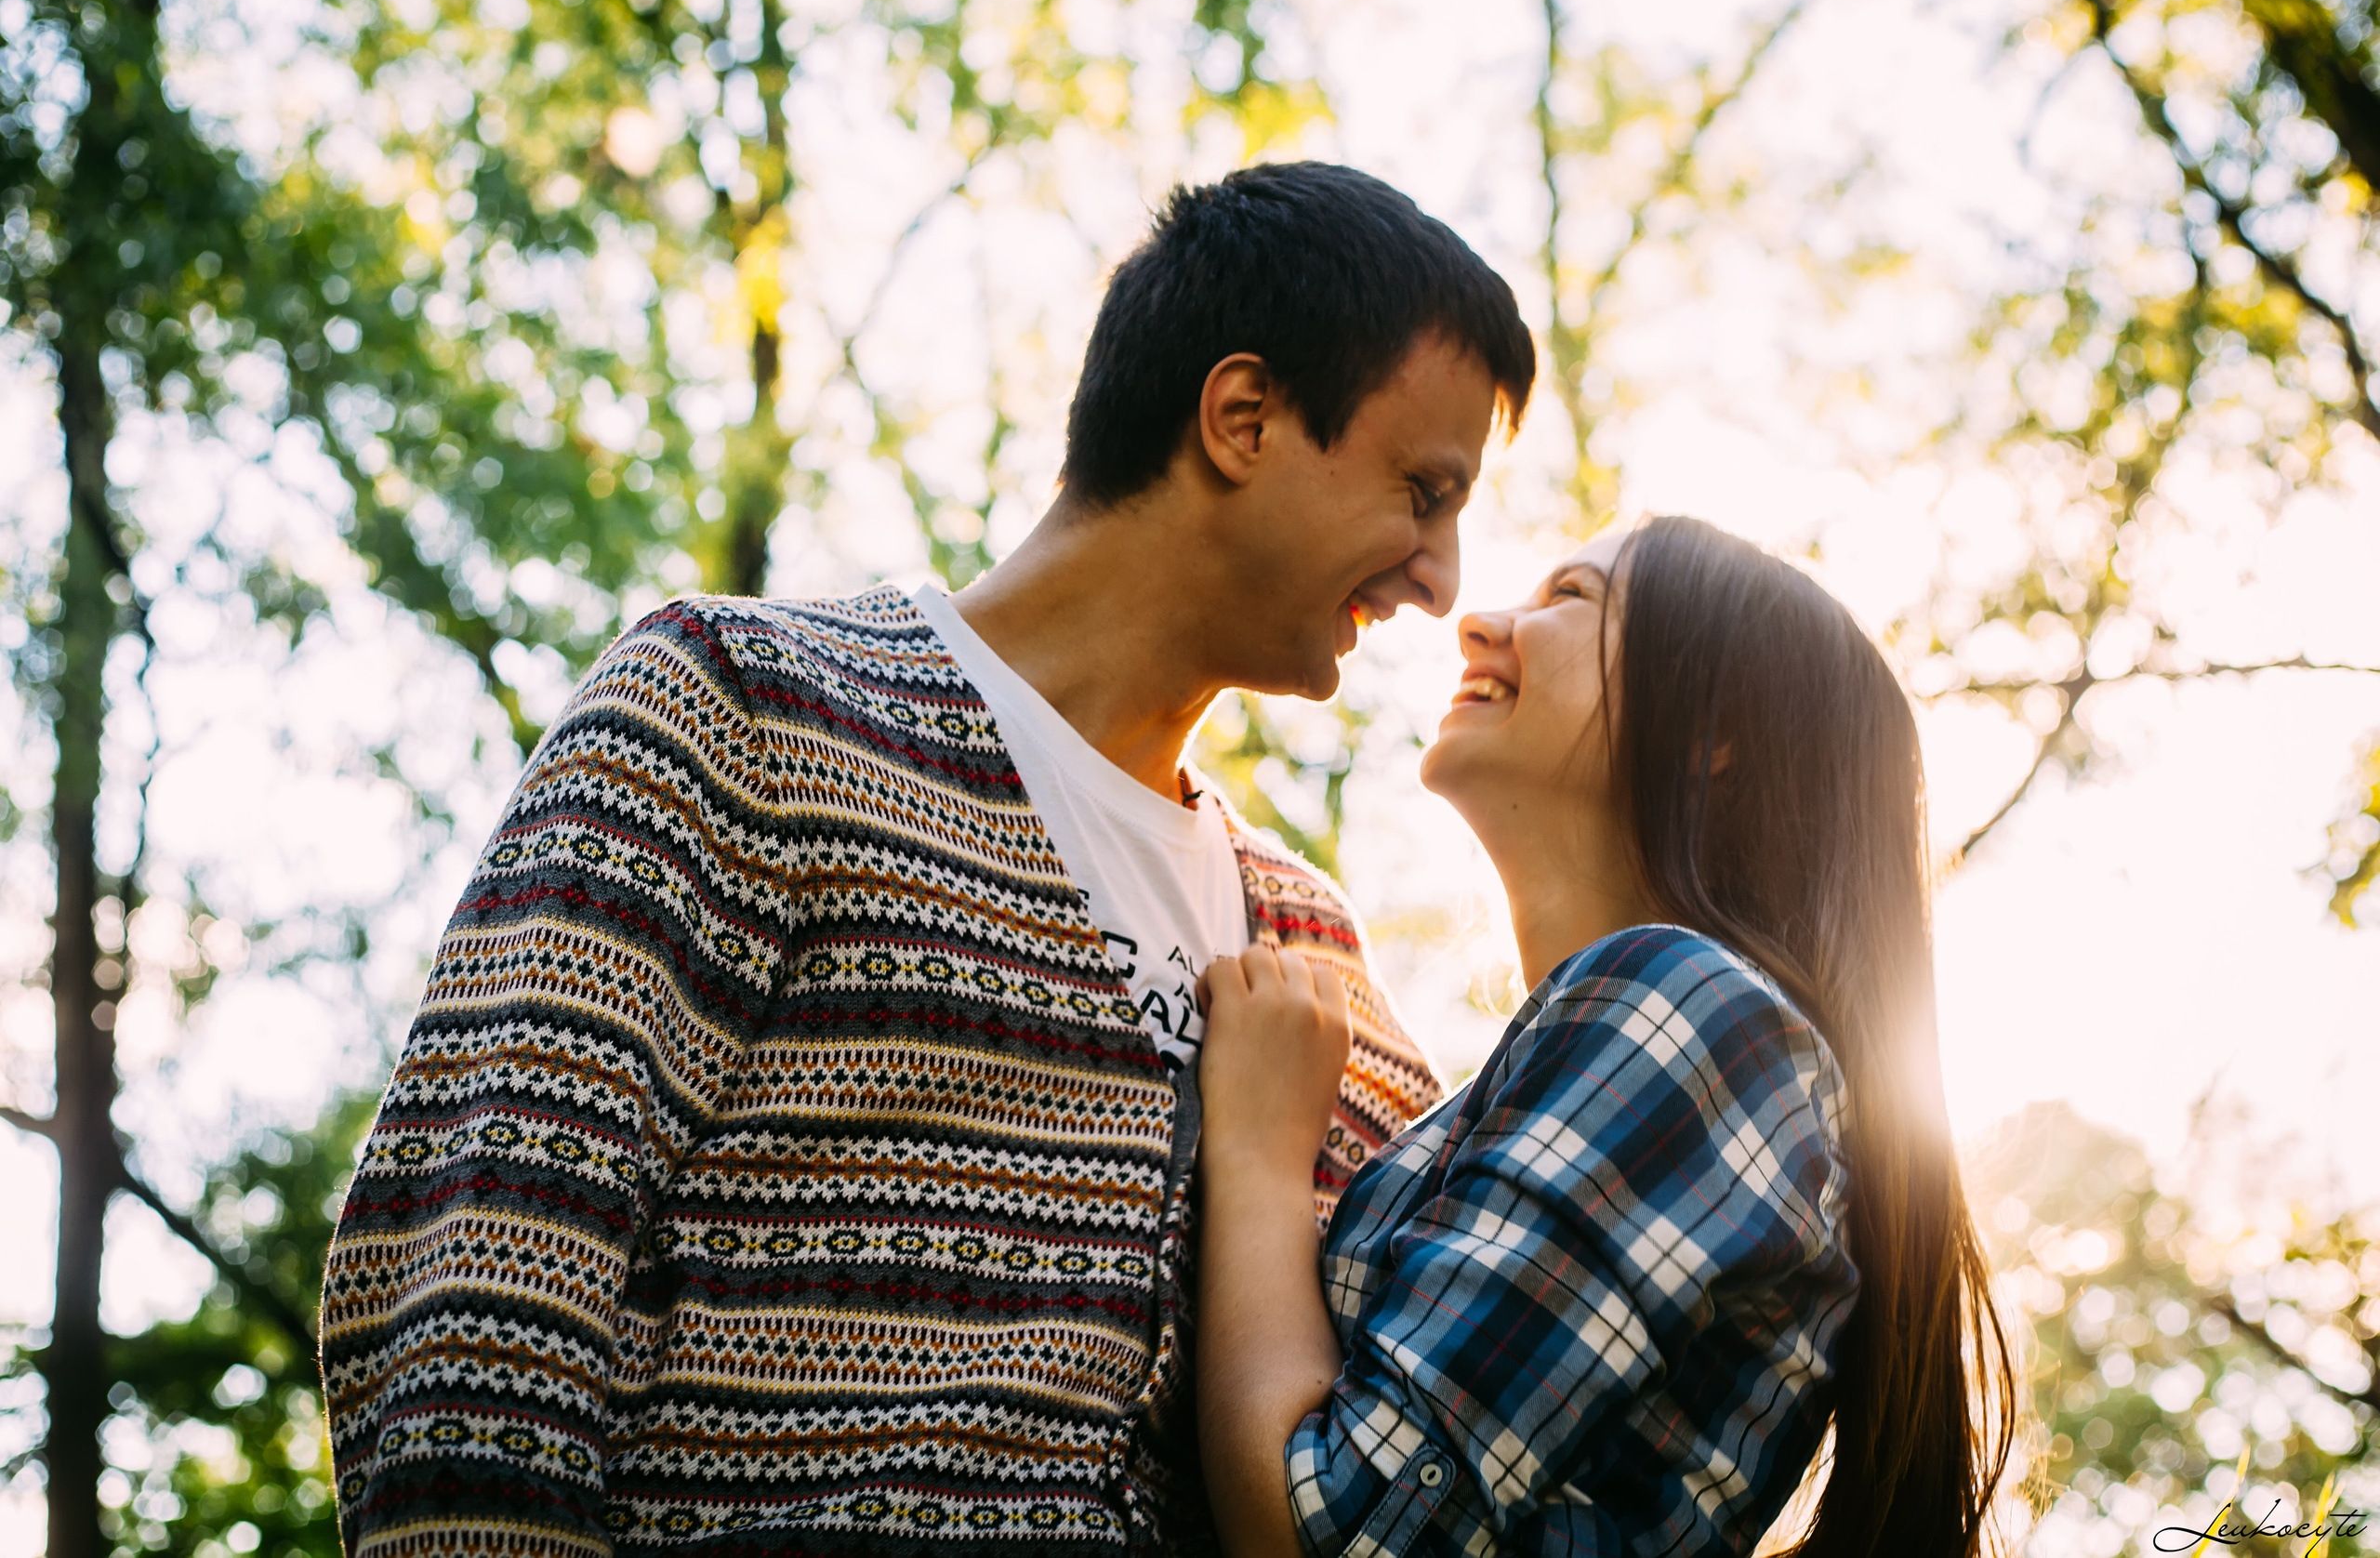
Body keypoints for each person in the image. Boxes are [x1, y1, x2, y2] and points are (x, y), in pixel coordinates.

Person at [317, 160, 1536, 1558]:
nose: (1442, 576)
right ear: (1244, 416)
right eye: (1421, 488)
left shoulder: (1327, 971)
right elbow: (478, 1300)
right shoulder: (738, 710)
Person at [1194, 517, 2019, 1557]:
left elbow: (1329, 1534)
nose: (1480, 624)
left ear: (1713, 729)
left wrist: (1260, 1156)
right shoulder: (1652, 1039)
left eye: (1570, 598)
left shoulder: (1686, 1013)